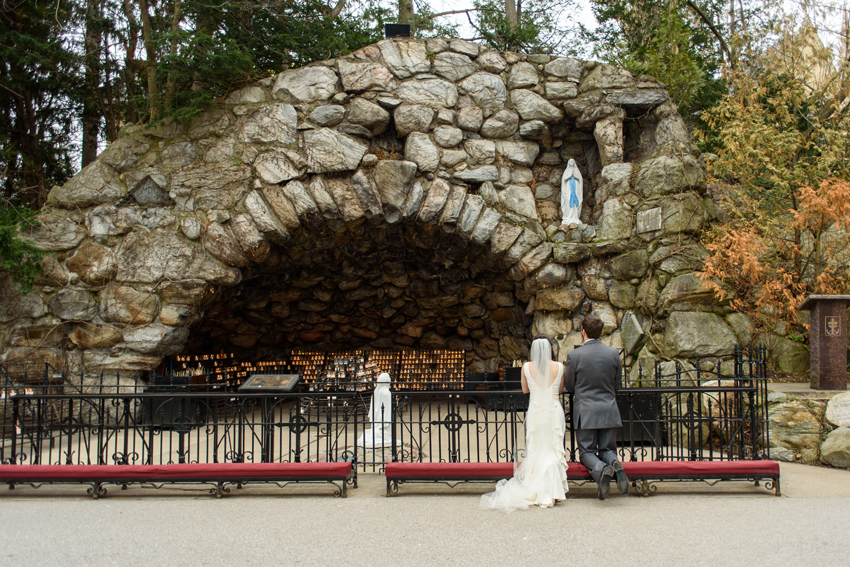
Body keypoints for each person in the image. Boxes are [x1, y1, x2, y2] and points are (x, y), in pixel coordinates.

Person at [480, 335, 568, 512]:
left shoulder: (526, 367)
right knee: (552, 448)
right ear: (550, 349)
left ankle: (536, 487)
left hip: (536, 410)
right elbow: (559, 390)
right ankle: (553, 489)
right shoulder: (560, 367)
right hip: (553, 409)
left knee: (536, 449)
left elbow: (525, 389)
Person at [563, 313, 629, 500]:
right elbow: (617, 385)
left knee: (587, 452)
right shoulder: (613, 353)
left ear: (583, 332)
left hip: (586, 411)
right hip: (609, 409)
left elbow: (569, 385)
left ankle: (602, 470)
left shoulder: (575, 355)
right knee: (608, 449)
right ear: (600, 332)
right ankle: (614, 463)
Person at [356, 372, 392, 448]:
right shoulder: (386, 392)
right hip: (383, 421)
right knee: (380, 432)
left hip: (377, 420)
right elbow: (388, 411)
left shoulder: (376, 392)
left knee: (374, 432)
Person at [559, 158, 584, 230]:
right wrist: (569, 176)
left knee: (575, 203)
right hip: (568, 190)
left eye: (573, 162)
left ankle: (575, 217)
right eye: (570, 162)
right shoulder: (566, 171)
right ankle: (568, 217)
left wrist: (575, 176)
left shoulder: (576, 171)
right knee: (568, 201)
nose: (571, 163)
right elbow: (564, 180)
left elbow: (580, 179)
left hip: (575, 190)